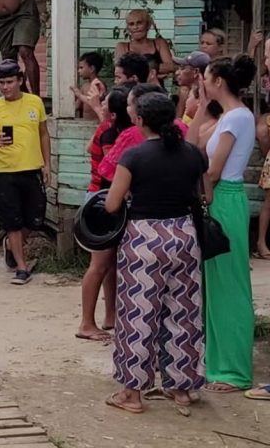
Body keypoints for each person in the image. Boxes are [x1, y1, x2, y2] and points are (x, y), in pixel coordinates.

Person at [103, 91, 205, 414]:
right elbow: (207, 196)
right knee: (183, 314)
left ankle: (132, 394)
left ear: (140, 120)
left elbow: (112, 203)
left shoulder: (134, 157)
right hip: (185, 236)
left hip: (144, 239)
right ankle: (182, 388)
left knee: (138, 315)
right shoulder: (192, 154)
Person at [186, 54, 257, 394]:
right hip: (216, 198)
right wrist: (200, 104)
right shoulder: (228, 115)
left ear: (219, 81)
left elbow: (213, 169)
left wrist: (200, 192)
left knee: (229, 283)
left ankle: (234, 369)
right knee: (212, 284)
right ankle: (216, 361)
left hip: (224, 198)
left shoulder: (239, 118)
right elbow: (192, 144)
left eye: (207, 77)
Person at [0, 60, 50, 285]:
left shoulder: (35, 103)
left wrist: (47, 164)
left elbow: (43, 134)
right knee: (13, 221)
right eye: (2, 83)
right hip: (6, 172)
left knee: (35, 218)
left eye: (10, 82)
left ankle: (11, 246)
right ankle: (22, 267)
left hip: (32, 169)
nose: (6, 87)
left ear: (20, 81)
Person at [76, 86, 132, 341]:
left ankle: (111, 315)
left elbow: (90, 148)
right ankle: (86, 323)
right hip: (102, 202)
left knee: (111, 264)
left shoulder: (116, 129)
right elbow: (112, 167)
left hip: (110, 200)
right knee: (99, 265)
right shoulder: (111, 132)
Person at [97, 83, 189, 185]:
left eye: (129, 105)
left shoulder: (130, 135)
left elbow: (106, 170)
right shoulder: (182, 127)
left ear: (141, 107)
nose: (127, 109)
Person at [114, 9, 175, 81]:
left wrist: (135, 70)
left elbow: (171, 66)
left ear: (148, 25)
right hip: (131, 90)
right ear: (128, 28)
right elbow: (120, 72)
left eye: (139, 23)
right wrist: (154, 73)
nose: (135, 27)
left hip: (155, 89)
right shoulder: (122, 46)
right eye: (131, 24)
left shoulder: (159, 43)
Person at [172, 51, 212, 123]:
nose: (177, 72)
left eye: (182, 68)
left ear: (196, 72)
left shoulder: (200, 98)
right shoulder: (189, 93)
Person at [70, 52, 107, 120]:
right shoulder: (84, 86)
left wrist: (79, 95)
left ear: (92, 69)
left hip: (97, 123)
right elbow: (77, 105)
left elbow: (94, 102)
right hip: (86, 123)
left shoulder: (99, 84)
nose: (79, 71)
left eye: (81, 68)